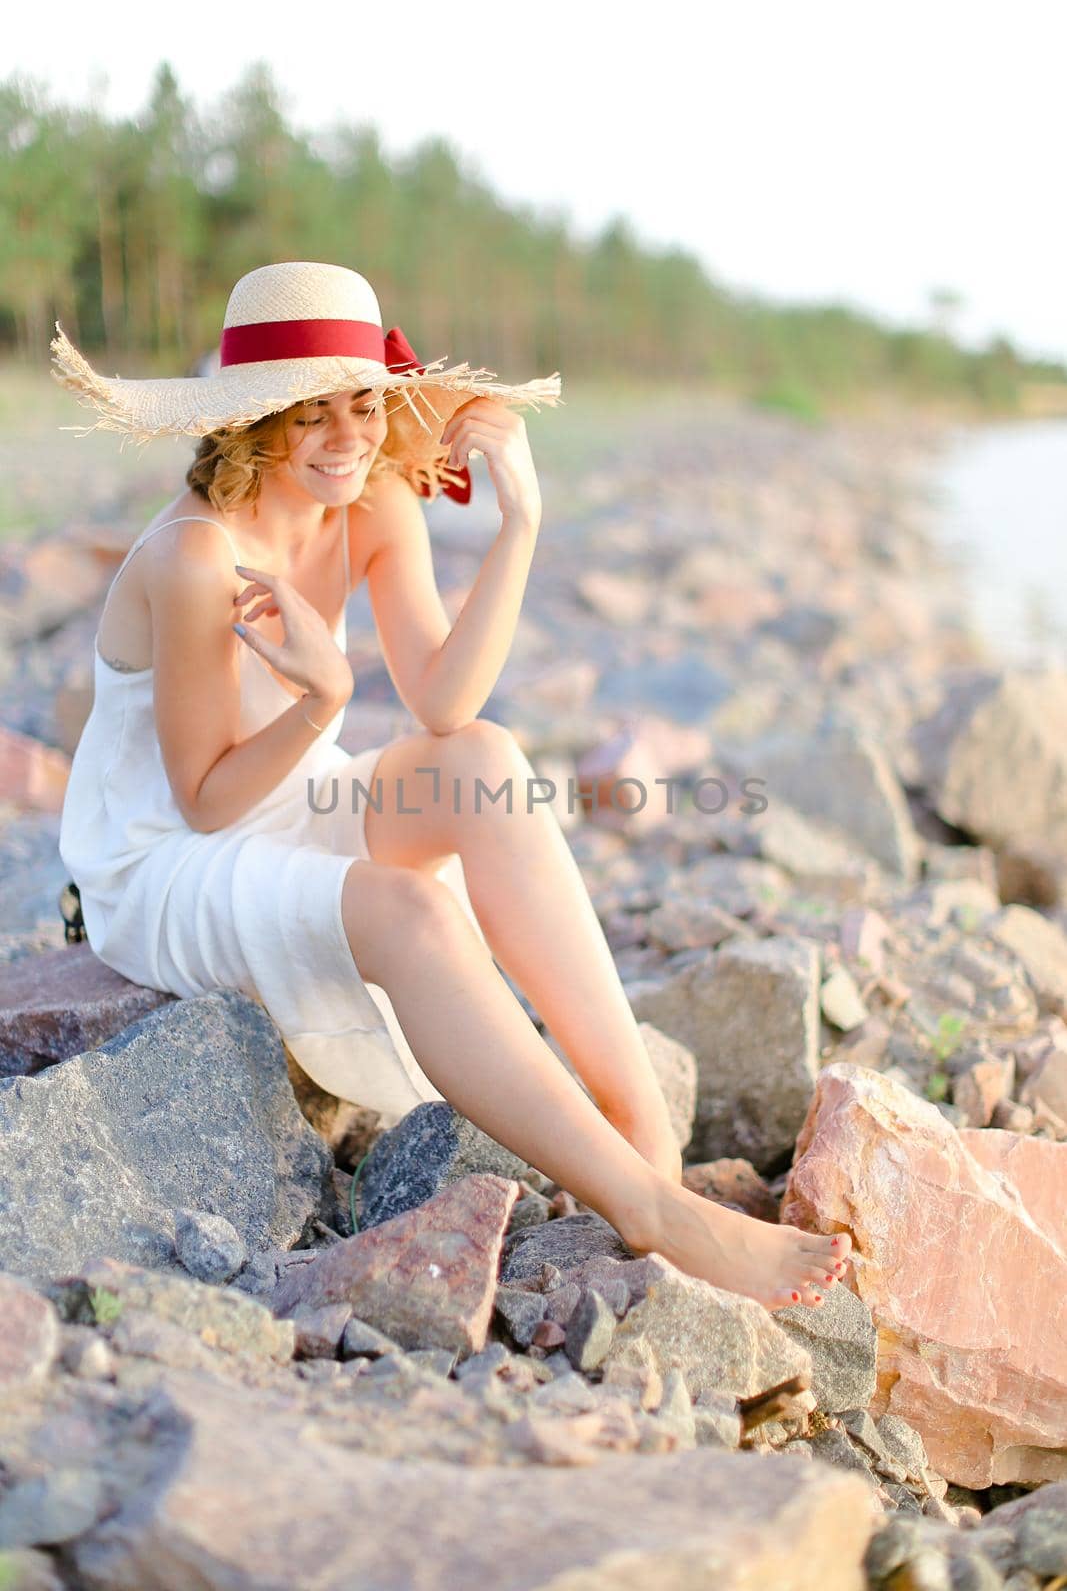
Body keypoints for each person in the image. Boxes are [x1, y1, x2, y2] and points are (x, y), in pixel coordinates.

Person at [52, 260, 850, 1311]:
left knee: (484, 760)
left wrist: (519, 524)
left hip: (292, 797)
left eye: (365, 403)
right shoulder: (196, 557)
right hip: (168, 859)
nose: (350, 436)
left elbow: (442, 703)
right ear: (254, 420)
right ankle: (645, 1208)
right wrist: (319, 695)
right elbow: (204, 799)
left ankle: (644, 1130)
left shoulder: (373, 497)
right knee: (415, 913)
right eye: (314, 413)